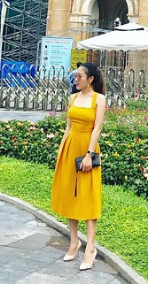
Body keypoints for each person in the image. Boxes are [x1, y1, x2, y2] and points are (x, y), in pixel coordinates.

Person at [51, 62, 106, 271]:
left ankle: (91, 247)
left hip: (87, 148)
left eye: (80, 76)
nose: (77, 78)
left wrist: (88, 155)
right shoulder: (73, 98)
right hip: (70, 146)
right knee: (69, 195)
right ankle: (74, 241)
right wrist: (61, 150)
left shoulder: (98, 99)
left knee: (87, 196)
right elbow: (68, 126)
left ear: (90, 79)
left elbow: (97, 128)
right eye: (76, 75)